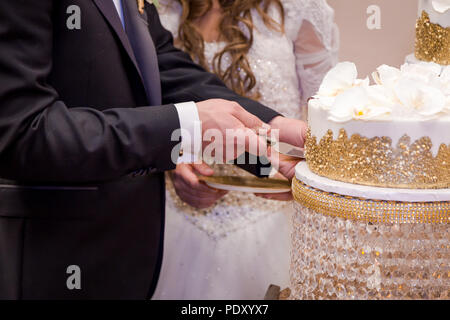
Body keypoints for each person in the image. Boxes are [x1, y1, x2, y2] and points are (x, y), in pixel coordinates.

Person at [0, 0, 304, 299]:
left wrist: (274, 130)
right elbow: (23, 131)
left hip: (133, 257)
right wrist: (184, 127)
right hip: (55, 256)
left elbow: (165, 68)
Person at [153, 0, 338, 299]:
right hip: (178, 221)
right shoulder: (155, 11)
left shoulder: (297, 9)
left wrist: (289, 163)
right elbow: (144, 114)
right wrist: (172, 163)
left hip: (272, 217)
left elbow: (323, 113)